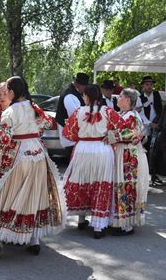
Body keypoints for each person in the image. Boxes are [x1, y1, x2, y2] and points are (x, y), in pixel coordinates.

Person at [0, 76, 65, 257]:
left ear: (12, 92)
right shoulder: (34, 108)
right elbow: (47, 125)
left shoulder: (10, 112)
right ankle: (33, 239)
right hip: (38, 156)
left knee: (3, 196)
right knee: (33, 196)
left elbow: (1, 142)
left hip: (18, 157)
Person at [62, 84, 126, 239]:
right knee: (100, 184)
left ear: (87, 97)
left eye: (84, 96)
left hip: (83, 149)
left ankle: (81, 219)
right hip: (102, 149)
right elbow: (123, 128)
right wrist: (110, 136)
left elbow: (68, 133)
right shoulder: (108, 112)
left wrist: (82, 135)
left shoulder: (78, 112)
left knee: (82, 181)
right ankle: (99, 226)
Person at [108, 88, 149, 235]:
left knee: (127, 186)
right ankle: (118, 220)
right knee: (120, 185)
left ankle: (127, 224)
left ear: (127, 100)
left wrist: (108, 135)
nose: (117, 99)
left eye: (120, 96)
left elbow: (129, 134)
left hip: (129, 154)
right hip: (122, 152)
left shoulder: (132, 116)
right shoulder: (123, 114)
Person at [55, 72, 88, 158]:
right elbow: (76, 117)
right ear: (80, 85)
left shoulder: (74, 94)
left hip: (73, 138)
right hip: (70, 139)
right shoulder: (70, 96)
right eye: (85, 86)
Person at [139, 76, 163, 186]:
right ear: (143, 86)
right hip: (146, 127)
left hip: (157, 125)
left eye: (151, 84)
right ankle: (146, 173)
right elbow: (140, 114)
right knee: (147, 150)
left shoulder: (157, 95)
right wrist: (150, 124)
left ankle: (154, 173)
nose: (149, 86)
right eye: (147, 84)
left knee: (157, 151)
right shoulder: (140, 98)